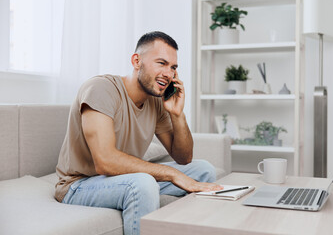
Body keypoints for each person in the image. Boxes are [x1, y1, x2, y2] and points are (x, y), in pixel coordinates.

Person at [55, 31, 222, 235]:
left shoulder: (156, 102)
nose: (168, 74)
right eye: (161, 63)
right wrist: (172, 174)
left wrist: (177, 115)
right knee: (143, 183)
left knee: (203, 170)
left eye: (173, 67)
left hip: (125, 178)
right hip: (79, 185)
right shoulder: (101, 88)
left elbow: (184, 157)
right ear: (136, 61)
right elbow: (104, 161)